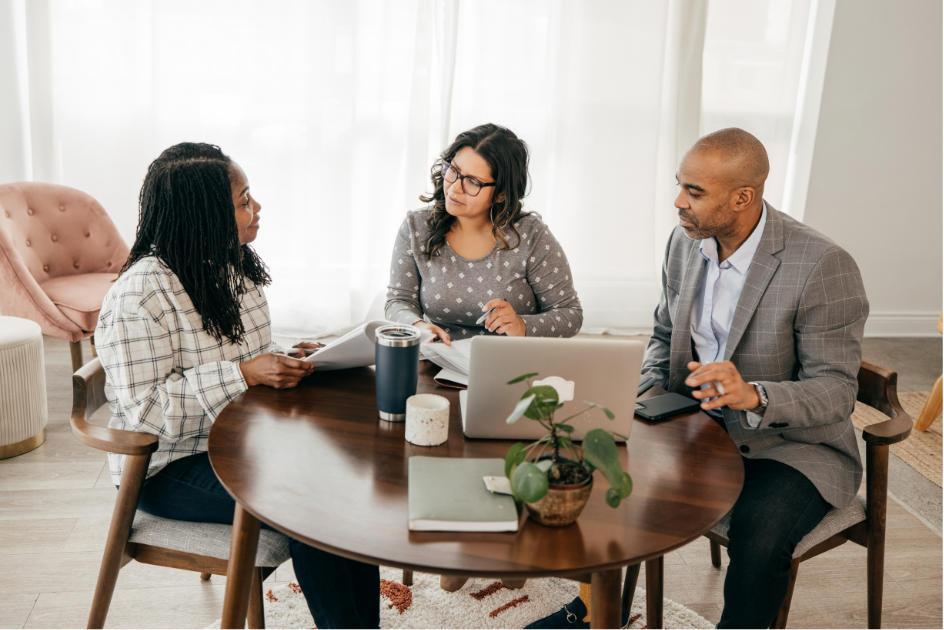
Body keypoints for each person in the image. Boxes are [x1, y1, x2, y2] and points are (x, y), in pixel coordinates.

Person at [527, 128, 868, 629]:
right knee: (596, 471)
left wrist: (753, 395)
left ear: (743, 197)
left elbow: (837, 391)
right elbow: (664, 334)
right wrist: (646, 393)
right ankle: (593, 611)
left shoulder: (822, 265)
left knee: (762, 535)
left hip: (789, 445)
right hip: (693, 424)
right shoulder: (686, 243)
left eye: (694, 192)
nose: (677, 202)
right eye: (680, 185)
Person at [95, 142, 379, 629]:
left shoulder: (231, 268)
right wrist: (244, 374)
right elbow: (145, 412)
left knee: (347, 481)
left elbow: (240, 356)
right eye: (244, 200)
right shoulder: (140, 294)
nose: (258, 208)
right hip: (167, 468)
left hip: (243, 443)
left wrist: (289, 358)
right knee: (314, 509)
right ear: (204, 213)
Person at [385, 123, 583, 344]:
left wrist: (521, 325)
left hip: (509, 367)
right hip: (437, 362)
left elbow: (569, 313)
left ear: (500, 194)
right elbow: (398, 301)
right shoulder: (416, 226)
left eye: (473, 182)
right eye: (453, 170)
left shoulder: (531, 235)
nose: (454, 189)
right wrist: (418, 327)